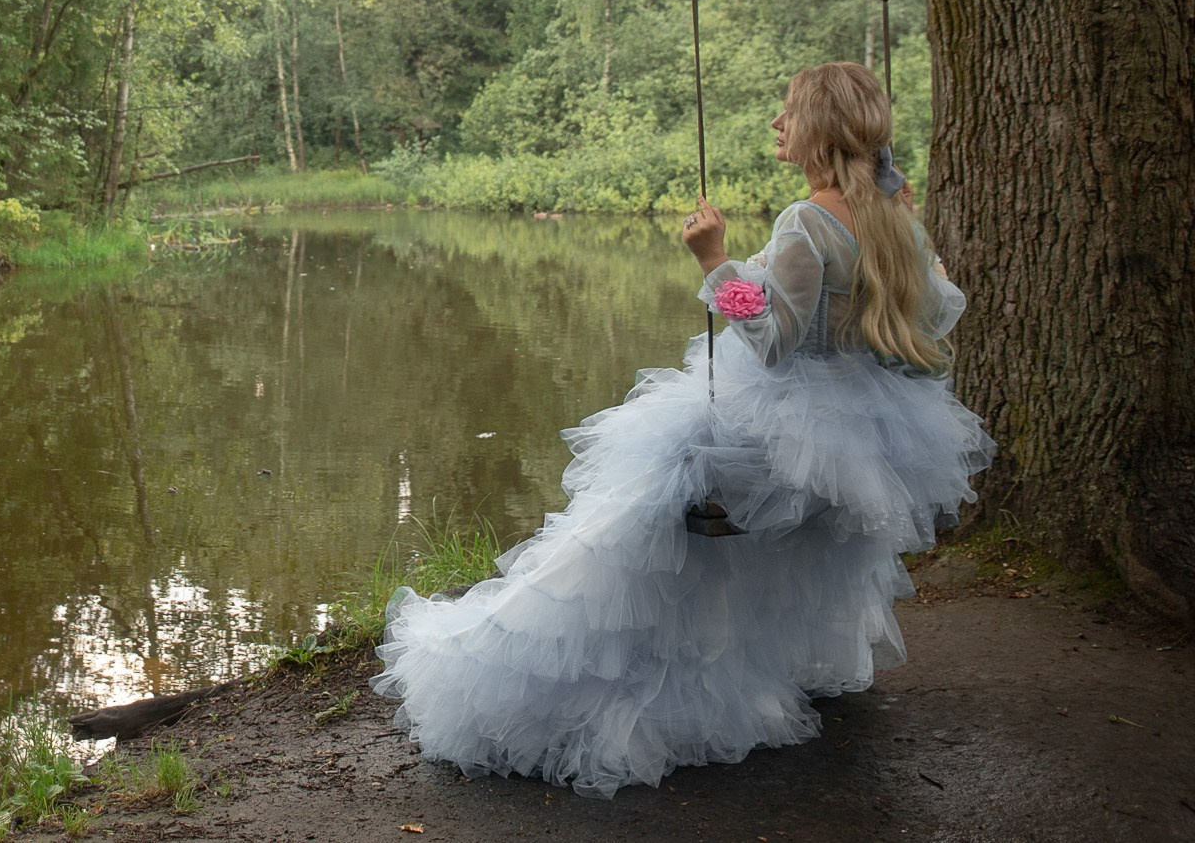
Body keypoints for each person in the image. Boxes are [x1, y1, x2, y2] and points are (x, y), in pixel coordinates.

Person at [371, 62, 995, 799]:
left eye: (788, 111)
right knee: (746, 544)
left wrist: (715, 261)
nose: (777, 123)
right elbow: (932, 310)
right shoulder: (893, 215)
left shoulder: (807, 221)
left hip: (789, 422)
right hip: (865, 429)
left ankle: (534, 667)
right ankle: (743, 669)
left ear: (819, 128)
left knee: (643, 500)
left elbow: (773, 338)